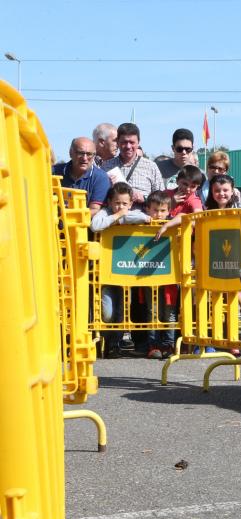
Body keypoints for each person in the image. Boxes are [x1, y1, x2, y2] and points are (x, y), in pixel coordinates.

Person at [90, 182, 152, 358]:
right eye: (117, 203)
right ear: (110, 202)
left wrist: (124, 215)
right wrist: (117, 215)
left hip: (125, 271)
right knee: (107, 311)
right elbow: (96, 225)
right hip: (105, 272)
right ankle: (104, 339)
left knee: (123, 309)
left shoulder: (129, 211)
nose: (121, 206)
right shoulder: (105, 213)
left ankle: (114, 344)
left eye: (124, 204)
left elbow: (142, 217)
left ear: (131, 203)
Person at [142, 191, 178, 360]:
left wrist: (165, 226)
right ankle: (153, 344)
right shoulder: (142, 223)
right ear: (148, 209)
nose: (159, 214)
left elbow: (185, 216)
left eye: (163, 210)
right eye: (155, 210)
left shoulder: (171, 223)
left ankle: (169, 344)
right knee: (153, 310)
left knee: (169, 312)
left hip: (169, 276)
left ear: (169, 210)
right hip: (148, 276)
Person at [101, 123, 164, 210]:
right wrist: (108, 187)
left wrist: (144, 198)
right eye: (124, 142)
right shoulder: (106, 167)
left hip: (143, 220)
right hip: (114, 220)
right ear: (118, 143)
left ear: (138, 142)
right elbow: (99, 198)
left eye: (132, 142)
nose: (128, 146)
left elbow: (162, 199)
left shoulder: (151, 167)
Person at [53, 137, 111, 216]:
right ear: (70, 153)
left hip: (83, 226)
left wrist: (68, 217)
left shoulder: (100, 178)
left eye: (89, 154)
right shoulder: (54, 172)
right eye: (80, 153)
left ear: (94, 155)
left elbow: (94, 209)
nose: (84, 158)